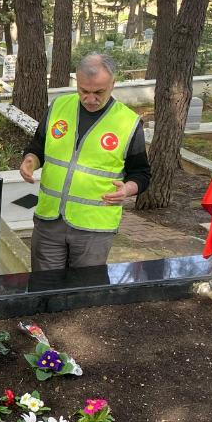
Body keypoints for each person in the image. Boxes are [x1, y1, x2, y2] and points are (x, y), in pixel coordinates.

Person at [19, 52, 152, 271]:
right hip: (49, 221)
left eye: (99, 92)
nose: (90, 99)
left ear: (113, 84)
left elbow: (141, 174)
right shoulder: (59, 107)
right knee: (44, 286)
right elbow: (38, 147)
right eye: (83, 91)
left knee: (84, 289)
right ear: (77, 83)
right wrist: (30, 161)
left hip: (94, 227)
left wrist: (127, 190)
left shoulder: (127, 122)